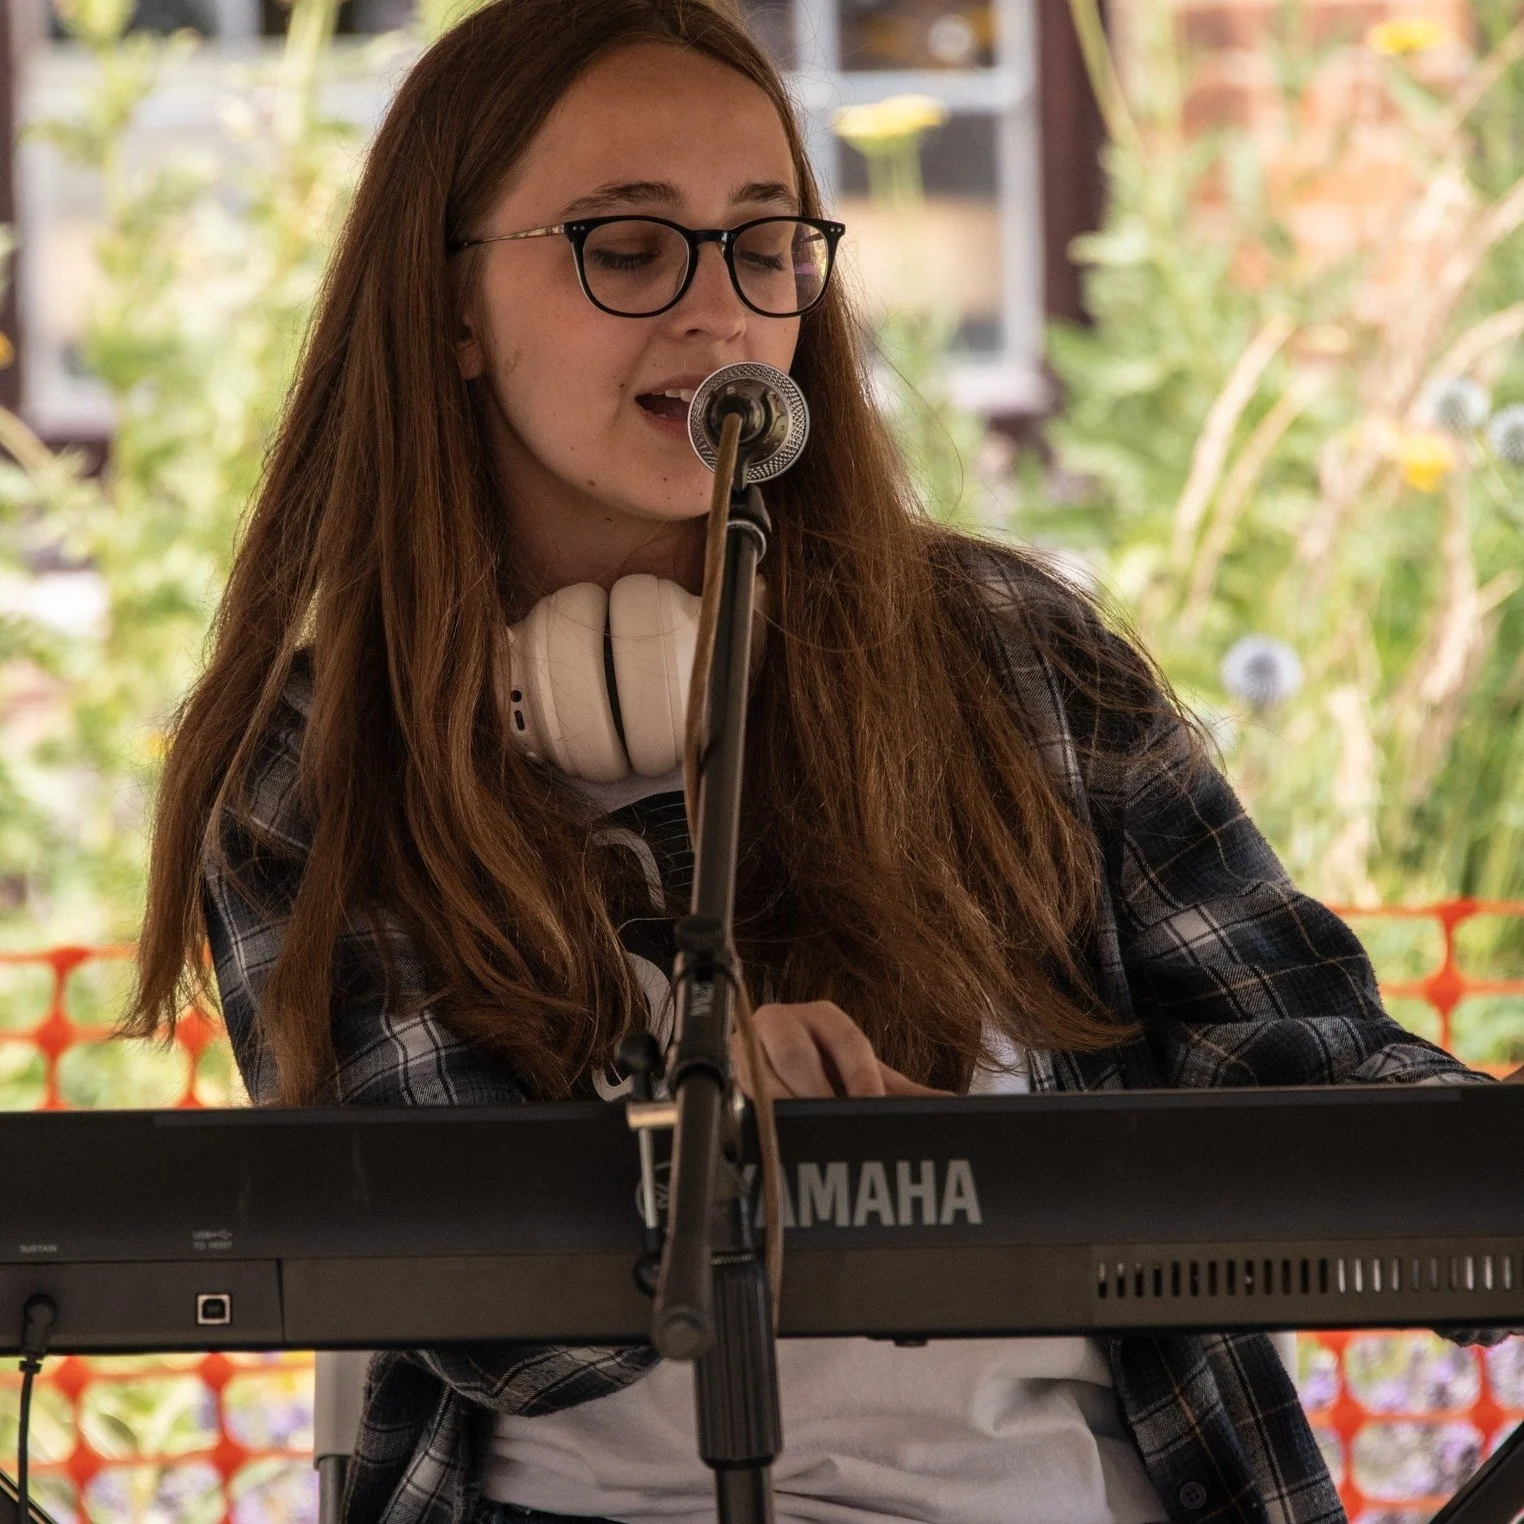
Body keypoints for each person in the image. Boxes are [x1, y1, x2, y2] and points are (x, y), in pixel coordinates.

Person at [126, 2, 1511, 1522]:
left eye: (767, 242)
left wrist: (1475, 1154)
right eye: (629, 247)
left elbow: (1302, 1070)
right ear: (451, 307)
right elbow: (500, 1323)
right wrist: (706, 1142)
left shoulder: (1013, 655)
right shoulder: (319, 760)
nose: (720, 311)